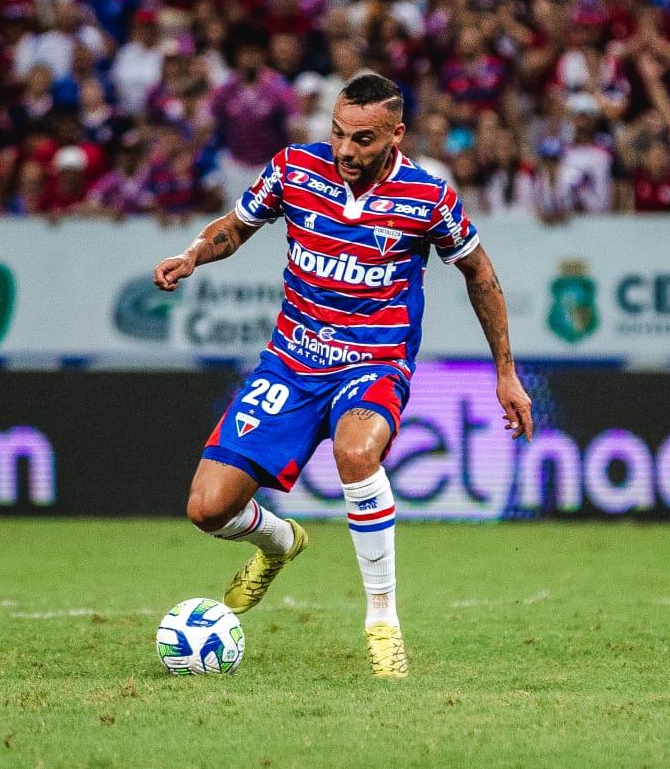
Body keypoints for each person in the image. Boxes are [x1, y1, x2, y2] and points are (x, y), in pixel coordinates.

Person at [152, 72, 534, 679]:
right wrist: (193, 253)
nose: (345, 150)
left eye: (362, 139)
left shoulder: (428, 197)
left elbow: (480, 275)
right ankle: (280, 542)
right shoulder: (293, 169)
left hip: (374, 364)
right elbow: (235, 226)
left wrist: (505, 373)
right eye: (337, 133)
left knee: (356, 453)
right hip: (290, 362)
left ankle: (382, 622)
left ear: (395, 135)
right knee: (207, 510)